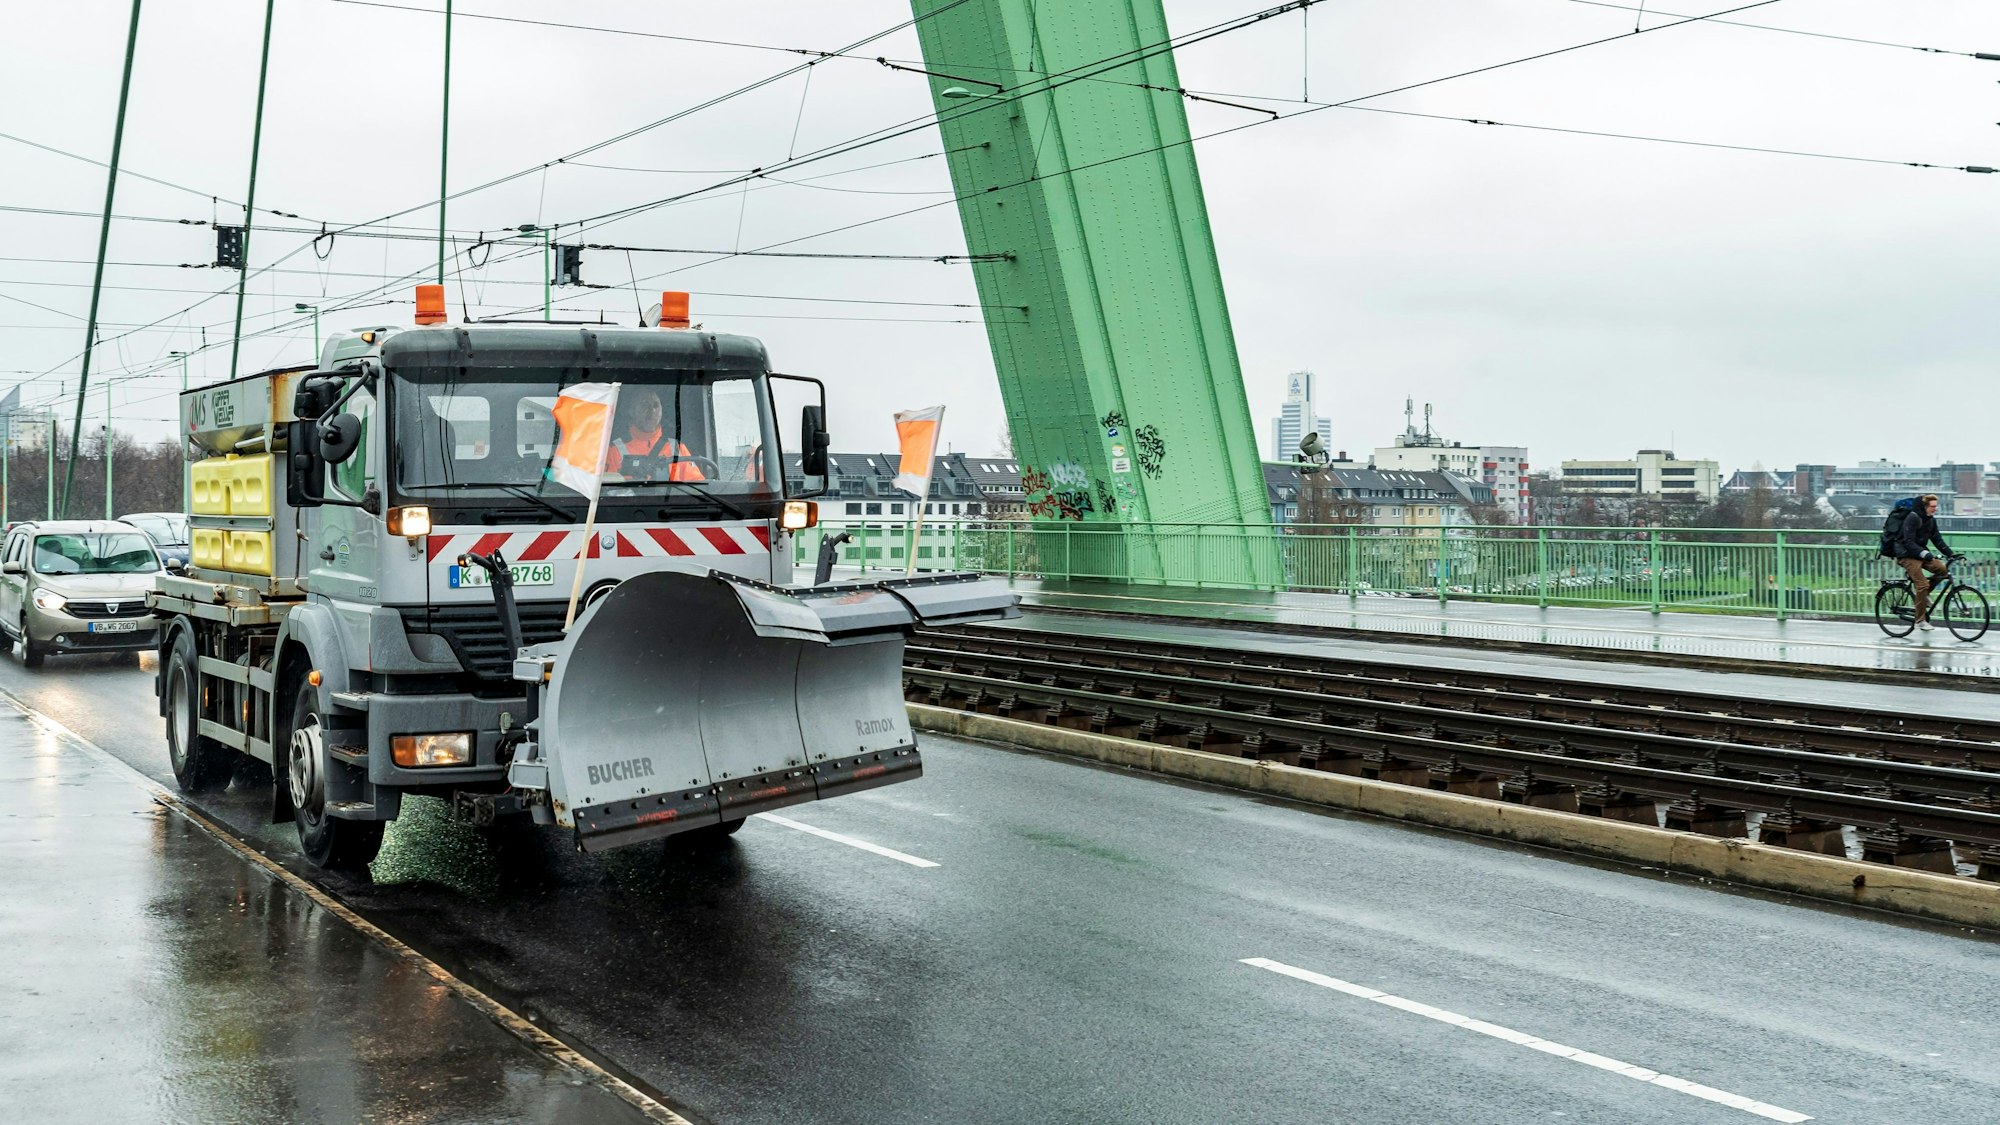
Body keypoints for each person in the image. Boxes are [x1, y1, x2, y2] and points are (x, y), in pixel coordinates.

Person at [603, 389, 705, 482]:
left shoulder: (677, 449)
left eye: (656, 405)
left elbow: (698, 489)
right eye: (645, 405)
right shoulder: (614, 451)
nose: (652, 411)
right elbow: (607, 493)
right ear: (632, 411)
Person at [1893, 493, 1959, 632]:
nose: (1935, 509)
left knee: (1942, 570)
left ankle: (1925, 594)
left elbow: (1937, 539)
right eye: (1932, 506)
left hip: (1920, 553)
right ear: (1924, 507)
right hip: (1906, 554)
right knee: (1922, 585)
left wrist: (1951, 554)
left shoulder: (1930, 520)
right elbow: (1908, 541)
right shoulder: (1912, 518)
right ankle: (1920, 620)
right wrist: (1924, 553)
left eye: (1936, 506)